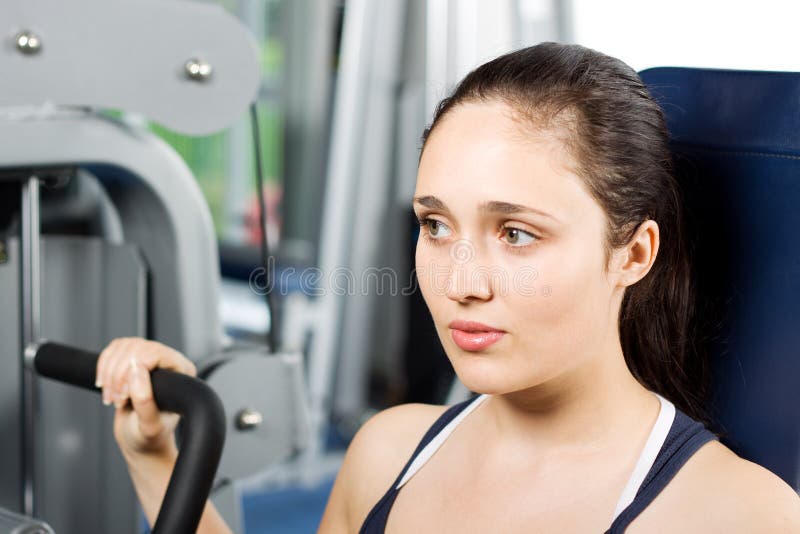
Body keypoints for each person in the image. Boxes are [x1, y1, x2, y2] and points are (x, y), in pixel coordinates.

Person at [96, 43, 800, 533]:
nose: (460, 283)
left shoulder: (735, 515)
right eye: (435, 225)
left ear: (634, 254)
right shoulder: (388, 452)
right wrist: (158, 459)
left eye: (516, 234)